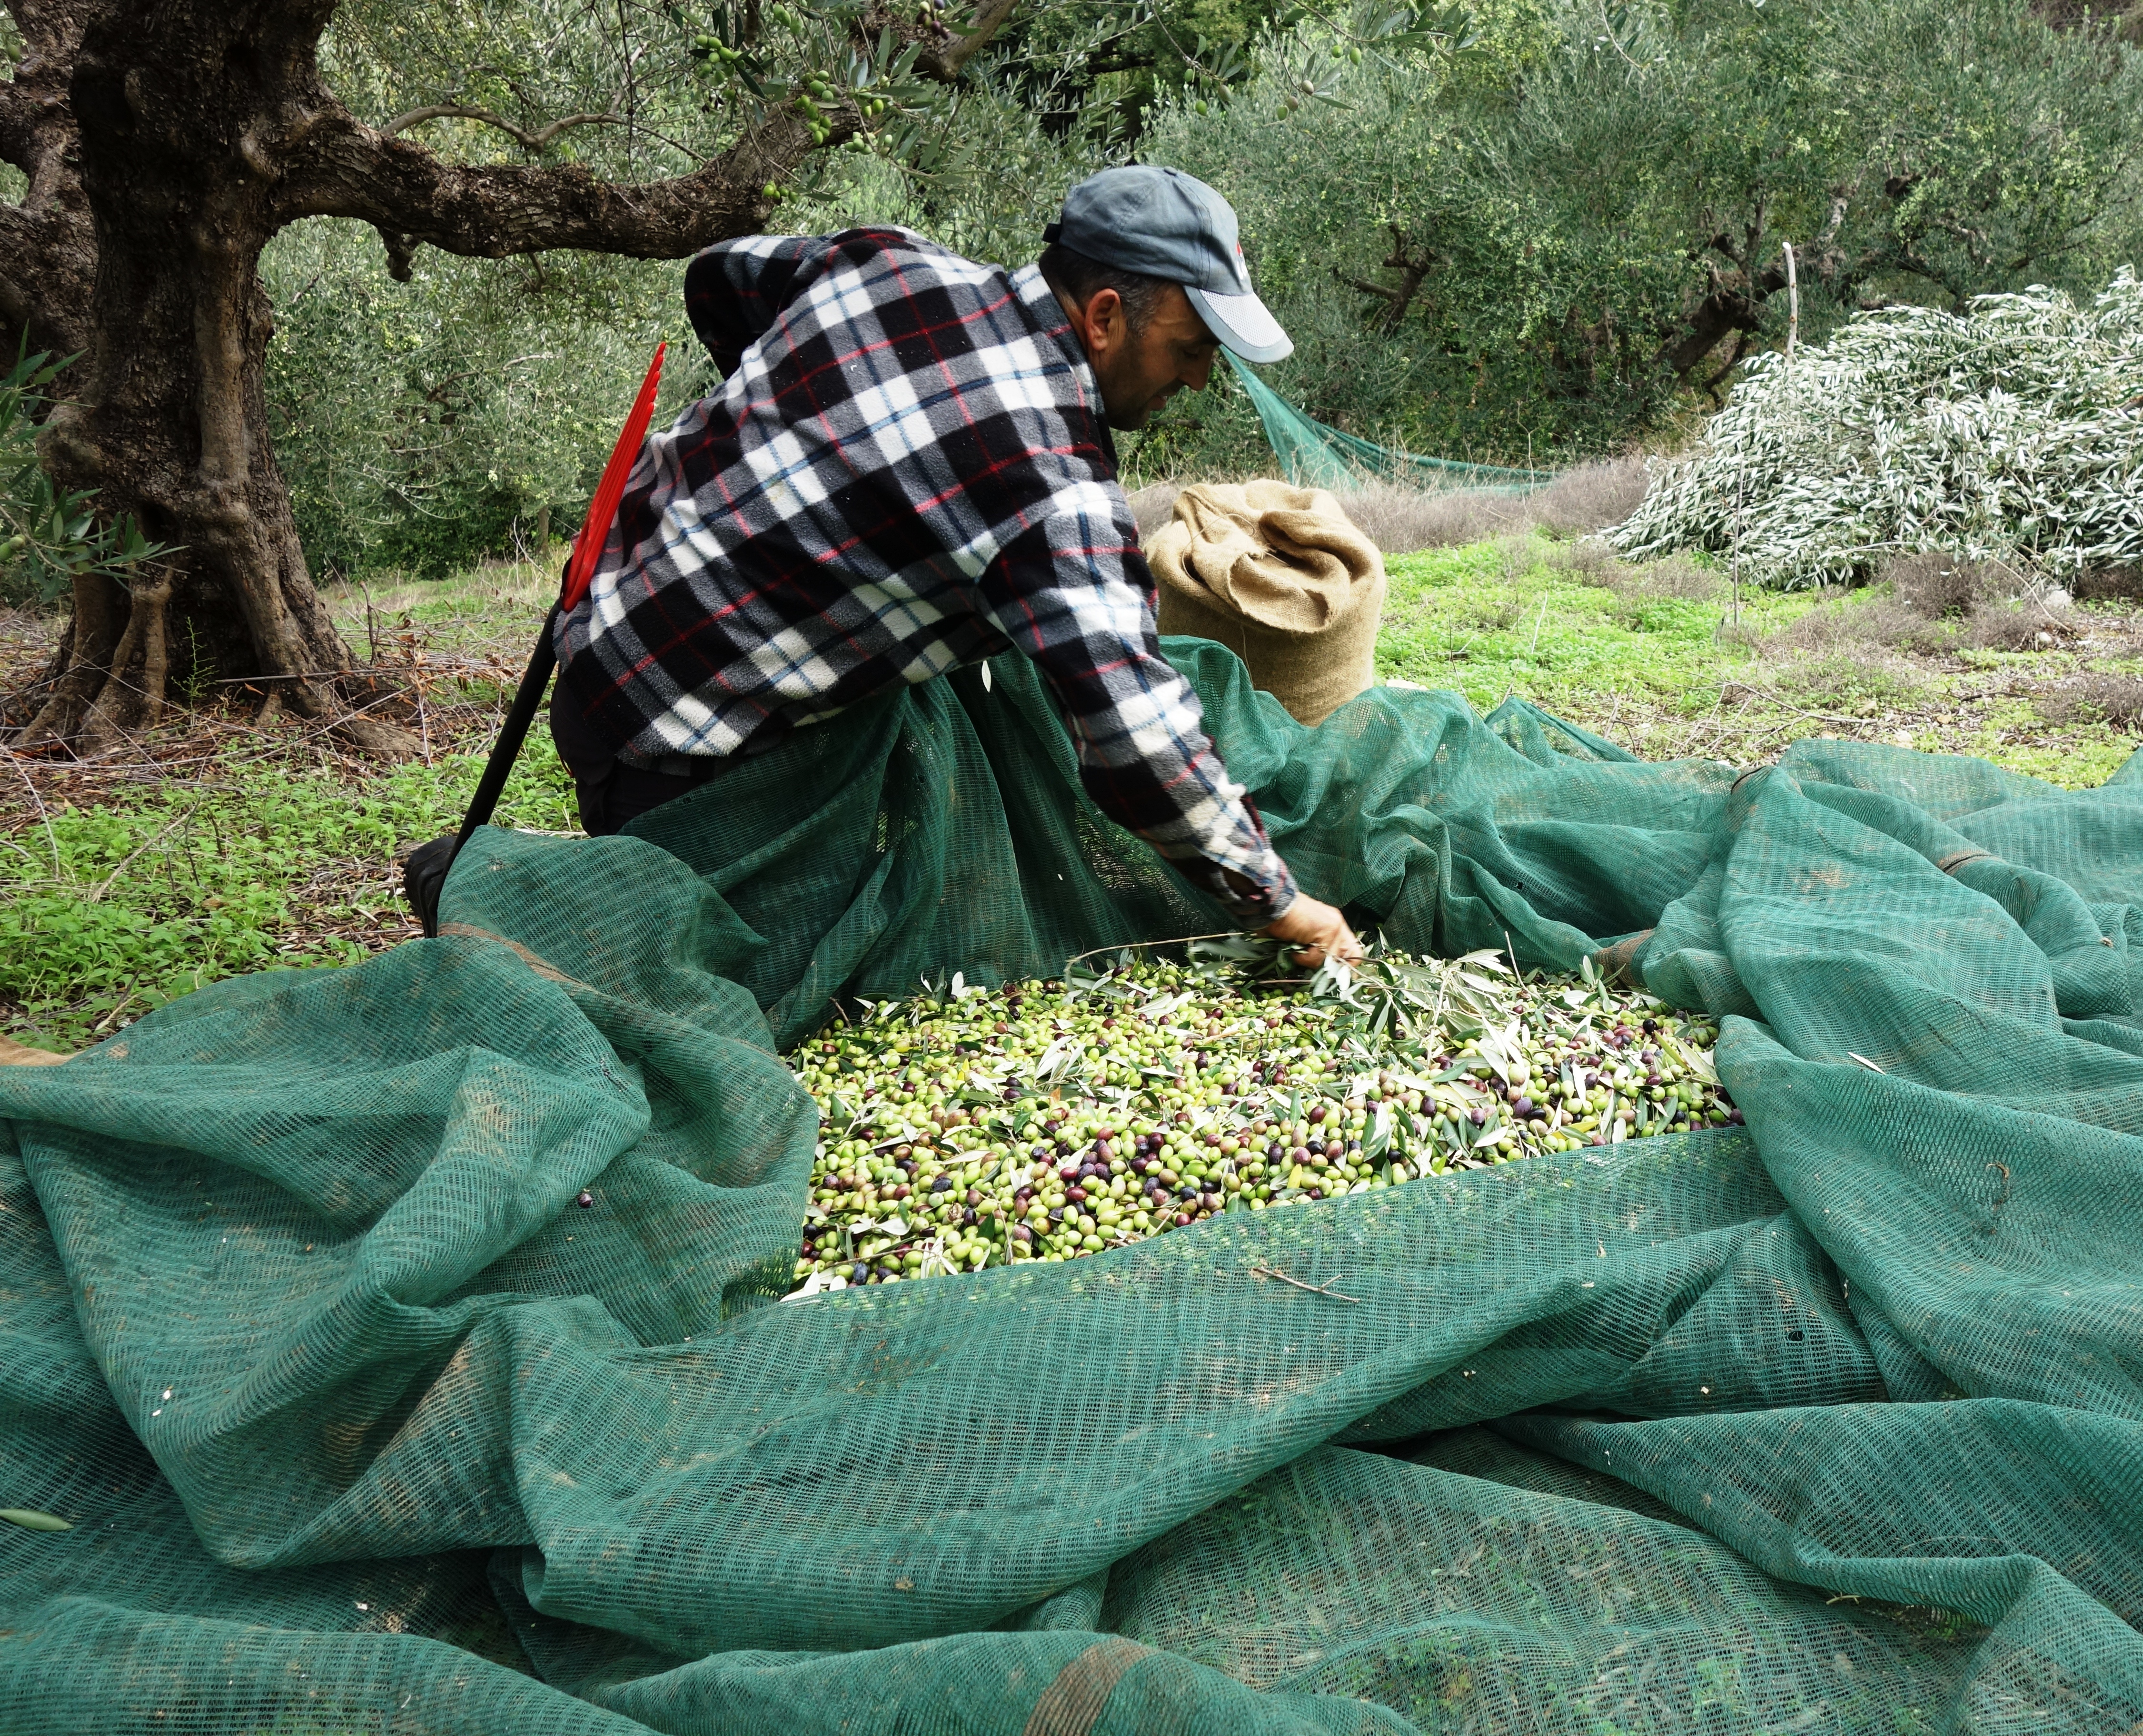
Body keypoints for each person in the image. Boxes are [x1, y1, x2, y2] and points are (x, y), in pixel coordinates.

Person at [550, 165, 1363, 968]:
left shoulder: (887, 262)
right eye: (1189, 349)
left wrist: (808, 428)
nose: (1197, 378)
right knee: (833, 958)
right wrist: (1279, 903)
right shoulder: (1052, 491)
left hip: (595, 624)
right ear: (1106, 317)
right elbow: (1136, 738)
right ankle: (527, 902)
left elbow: (720, 276)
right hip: (668, 762)